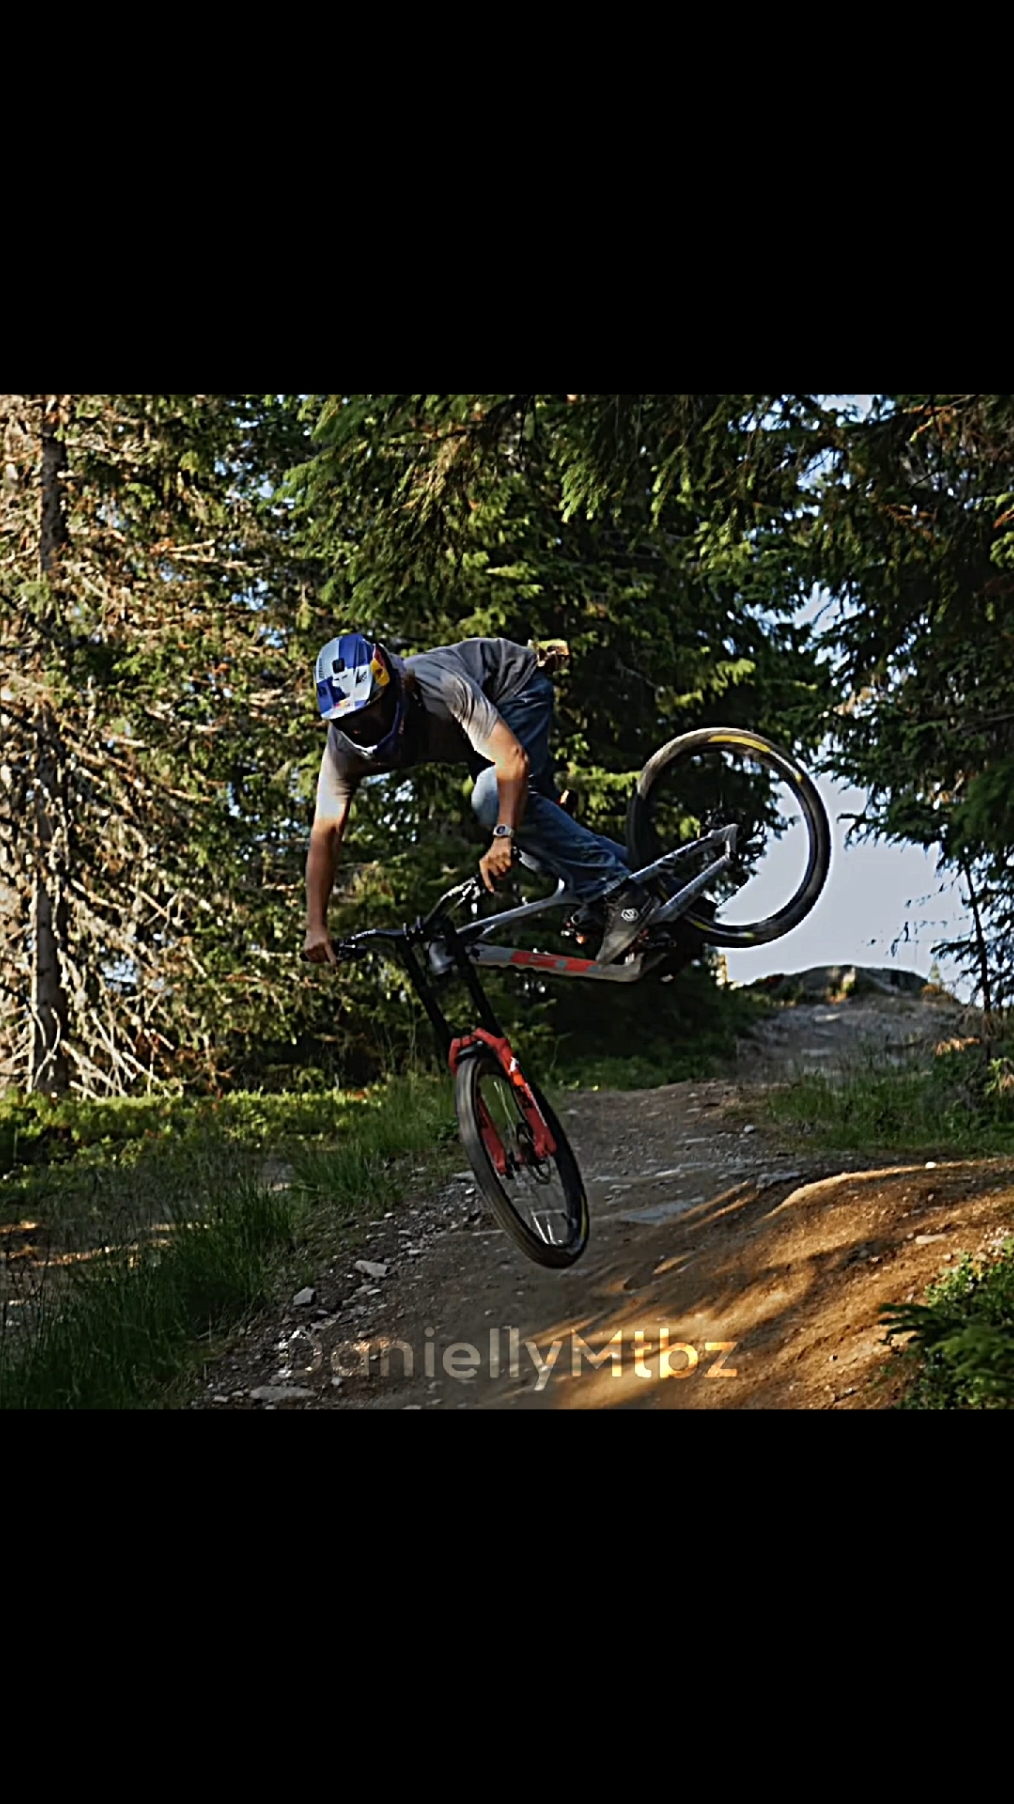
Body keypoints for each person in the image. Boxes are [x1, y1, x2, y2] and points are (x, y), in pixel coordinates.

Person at [302, 632, 657, 968]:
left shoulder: (439, 686)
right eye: (351, 722)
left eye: (371, 714)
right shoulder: (344, 749)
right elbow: (326, 833)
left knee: (492, 801)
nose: (363, 728)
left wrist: (502, 835)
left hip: (515, 689)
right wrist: (315, 924)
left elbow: (512, 760)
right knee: (539, 847)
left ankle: (621, 895)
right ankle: (663, 891)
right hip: (482, 738)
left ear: (393, 688)